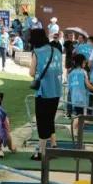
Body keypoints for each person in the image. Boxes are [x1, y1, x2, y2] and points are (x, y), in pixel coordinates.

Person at [29, 28, 63, 160]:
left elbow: (32, 73)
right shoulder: (57, 50)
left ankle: (42, 152)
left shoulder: (36, 52)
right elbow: (59, 70)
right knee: (49, 119)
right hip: (56, 90)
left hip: (43, 92)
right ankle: (53, 146)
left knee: (42, 122)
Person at [66, 53, 93, 142]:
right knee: (81, 116)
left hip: (74, 98)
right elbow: (88, 85)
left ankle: (76, 132)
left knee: (79, 115)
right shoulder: (83, 72)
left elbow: (70, 87)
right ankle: (72, 127)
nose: (85, 64)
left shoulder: (71, 73)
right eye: (84, 62)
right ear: (82, 62)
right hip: (82, 98)